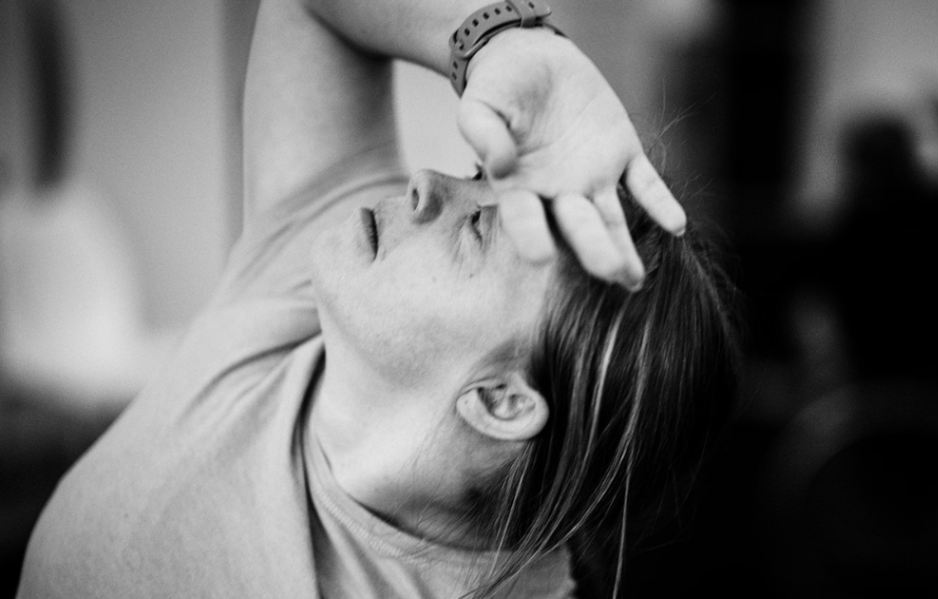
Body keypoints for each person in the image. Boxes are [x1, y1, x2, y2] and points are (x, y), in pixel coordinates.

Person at [16, 0, 741, 597]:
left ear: (500, 401)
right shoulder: (300, 287)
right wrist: (501, 41)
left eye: (479, 228)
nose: (425, 183)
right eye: (472, 178)